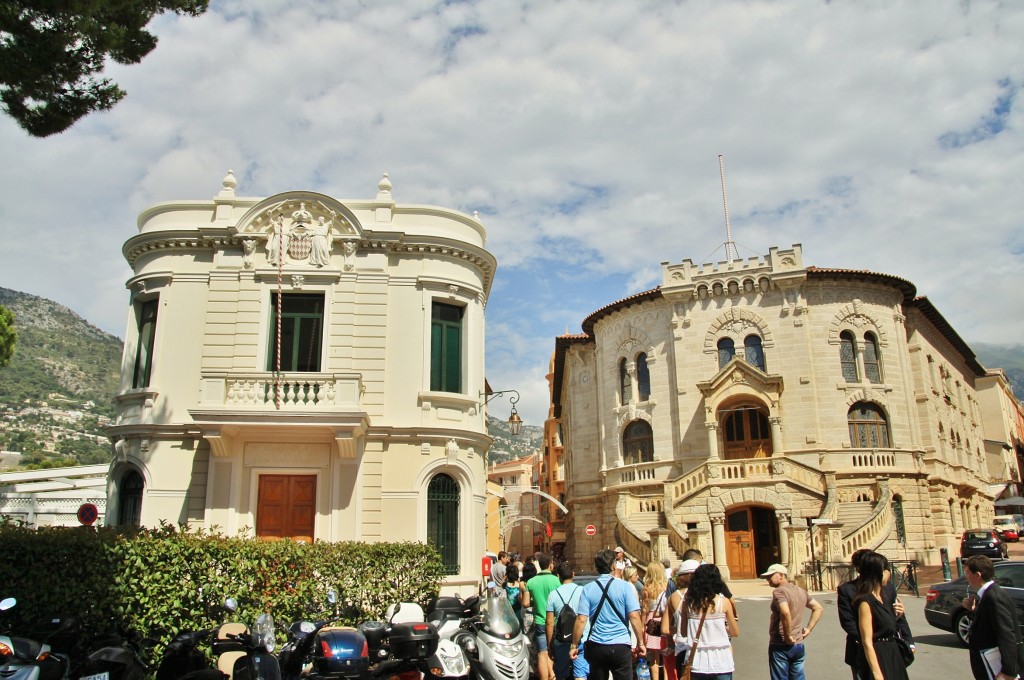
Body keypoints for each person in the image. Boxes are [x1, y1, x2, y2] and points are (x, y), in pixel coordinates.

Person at [570, 548, 645, 680]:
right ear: (613, 566)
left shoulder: (588, 589)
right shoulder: (625, 587)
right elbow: (634, 616)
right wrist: (640, 643)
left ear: (597, 567)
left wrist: (574, 645)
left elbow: (581, 619)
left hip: (597, 645)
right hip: (621, 645)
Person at [838, 549, 912, 679]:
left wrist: (908, 640)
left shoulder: (888, 589)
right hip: (866, 650)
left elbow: (898, 619)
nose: (888, 572)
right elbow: (848, 623)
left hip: (891, 650)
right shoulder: (852, 593)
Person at [963, 555, 1022, 680]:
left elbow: (1006, 634)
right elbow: (987, 624)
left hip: (996, 668)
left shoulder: (994, 596)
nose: (966, 576)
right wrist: (973, 611)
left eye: (967, 572)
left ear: (978, 575)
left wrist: (1008, 672)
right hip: (988, 666)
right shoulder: (988, 594)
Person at [762, 563, 823, 680]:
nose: (768, 579)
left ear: (781, 575)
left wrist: (787, 635)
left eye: (770, 576)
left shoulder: (779, 592)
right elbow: (818, 608)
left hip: (781, 644)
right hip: (798, 644)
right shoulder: (800, 591)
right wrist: (808, 629)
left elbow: (785, 612)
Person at [679, 563, 739, 679]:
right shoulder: (723, 602)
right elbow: (735, 632)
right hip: (721, 660)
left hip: (696, 660)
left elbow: (683, 632)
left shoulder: (688, 603)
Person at [547, 562, 589, 680]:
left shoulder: (553, 594)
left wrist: (550, 645)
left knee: (561, 674)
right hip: (581, 639)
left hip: (561, 641)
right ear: (573, 574)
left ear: (558, 576)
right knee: (581, 674)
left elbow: (549, 622)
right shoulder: (582, 590)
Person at [525, 553, 561, 680]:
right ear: (551, 564)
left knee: (542, 652)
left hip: (540, 621)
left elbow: (525, 603)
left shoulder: (531, 582)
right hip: (555, 622)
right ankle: (553, 675)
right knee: (553, 653)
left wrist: (536, 600)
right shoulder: (557, 581)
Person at [663, 559, 700, 675]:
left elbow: (665, 629)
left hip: (682, 648)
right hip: (701, 647)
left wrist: (679, 628)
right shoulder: (704, 596)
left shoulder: (674, 597)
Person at [641, 561, 668, 680]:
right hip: (664, 619)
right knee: (666, 656)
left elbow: (644, 610)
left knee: (654, 658)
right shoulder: (666, 586)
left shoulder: (646, 588)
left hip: (651, 622)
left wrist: (642, 626)